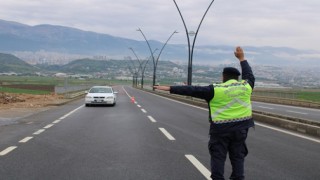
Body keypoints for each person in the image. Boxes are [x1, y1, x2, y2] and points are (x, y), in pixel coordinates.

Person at [154, 46, 255, 180]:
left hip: (220, 130)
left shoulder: (215, 90)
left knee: (218, 158)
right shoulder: (246, 86)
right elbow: (249, 75)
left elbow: (193, 90)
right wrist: (242, 58)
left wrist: (170, 88)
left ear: (223, 77)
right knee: (238, 158)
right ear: (237, 78)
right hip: (241, 130)